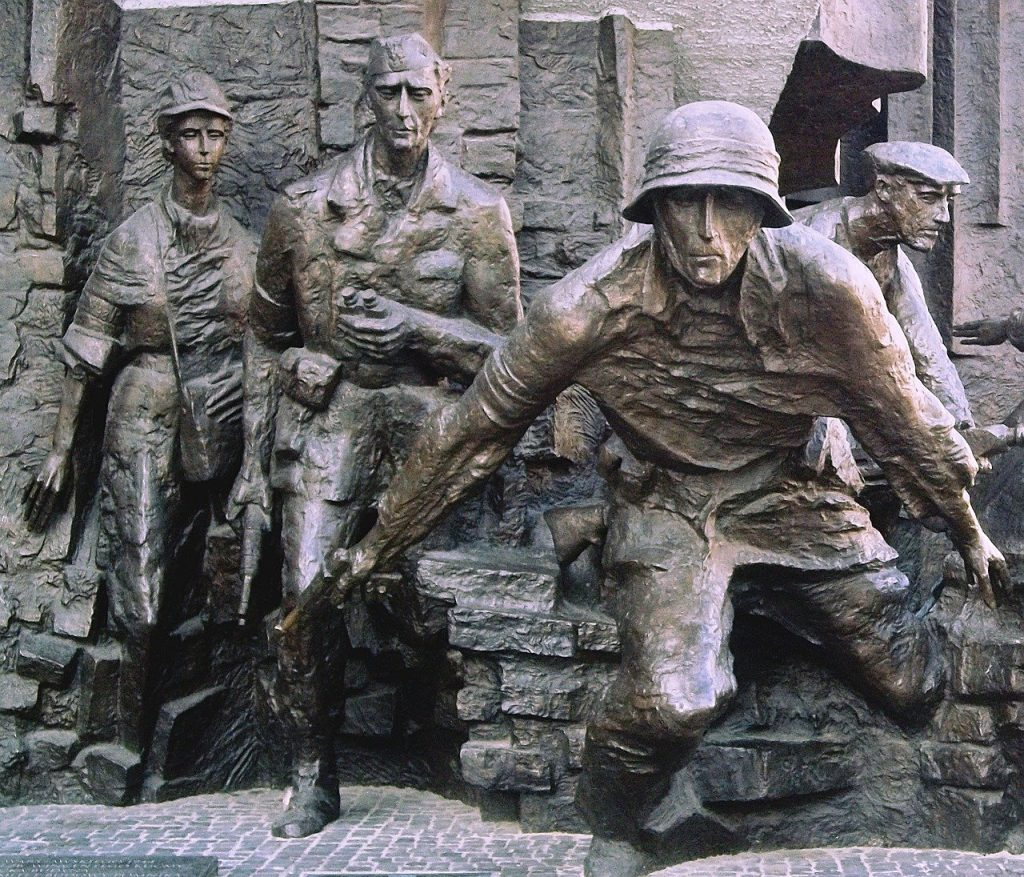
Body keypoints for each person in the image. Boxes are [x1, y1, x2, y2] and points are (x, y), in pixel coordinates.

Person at [309, 101, 1007, 876]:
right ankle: (617, 818)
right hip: (670, 499)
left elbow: (907, 419)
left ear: (762, 211)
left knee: (913, 683)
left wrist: (966, 528)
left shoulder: (829, 286)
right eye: (684, 201)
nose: (708, 228)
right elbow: (471, 434)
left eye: (732, 202)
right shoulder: (583, 310)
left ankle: (751, 621)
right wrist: (377, 544)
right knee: (677, 697)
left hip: (795, 492)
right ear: (652, 209)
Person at [230, 32, 522, 838]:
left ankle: (463, 752)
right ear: (364, 98)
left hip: (432, 429)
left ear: (444, 93)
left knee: (436, 605)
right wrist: (295, 367)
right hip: (331, 426)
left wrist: (419, 327)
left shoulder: (478, 212)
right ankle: (311, 771)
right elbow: (262, 333)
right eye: (387, 92)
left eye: (417, 93)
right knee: (306, 595)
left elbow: (512, 352)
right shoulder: (301, 208)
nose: (402, 110)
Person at [24, 73, 254, 767]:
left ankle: (181, 740)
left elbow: (259, 342)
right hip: (144, 408)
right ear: (166, 141)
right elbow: (87, 349)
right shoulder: (133, 242)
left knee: (213, 578)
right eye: (191, 133)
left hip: (219, 415)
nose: (205, 148)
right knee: (143, 583)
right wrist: (61, 449)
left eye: (216, 133)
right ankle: (127, 733)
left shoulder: (242, 241)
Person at [796, 142, 972, 428]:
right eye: (928, 198)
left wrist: (963, 428)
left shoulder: (893, 261)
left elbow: (927, 350)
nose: (943, 216)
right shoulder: (813, 240)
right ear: (884, 189)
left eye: (947, 202)